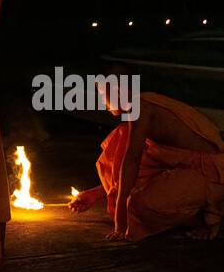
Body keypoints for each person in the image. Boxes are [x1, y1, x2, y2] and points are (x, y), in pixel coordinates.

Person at [70, 90, 224, 241]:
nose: (102, 101)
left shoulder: (141, 108)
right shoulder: (139, 112)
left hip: (211, 175)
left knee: (137, 205)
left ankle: (207, 218)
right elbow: (141, 170)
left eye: (104, 94)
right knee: (120, 140)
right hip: (186, 171)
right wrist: (95, 194)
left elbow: (132, 162)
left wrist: (121, 224)